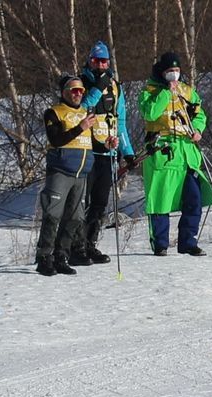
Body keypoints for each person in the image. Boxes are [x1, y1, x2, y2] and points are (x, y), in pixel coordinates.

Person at [139, 53, 211, 258]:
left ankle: (188, 241)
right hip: (162, 150)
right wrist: (165, 94)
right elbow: (150, 113)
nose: (174, 75)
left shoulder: (187, 91)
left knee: (193, 198)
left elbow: (199, 113)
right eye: (170, 71)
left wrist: (197, 129)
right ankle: (160, 243)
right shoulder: (149, 91)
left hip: (186, 150)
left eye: (177, 71)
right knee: (160, 198)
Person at [39, 74, 99, 276]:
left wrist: (107, 144)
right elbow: (56, 139)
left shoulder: (85, 112)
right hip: (61, 171)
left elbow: (90, 140)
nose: (78, 94)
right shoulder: (54, 112)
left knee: (75, 217)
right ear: (64, 92)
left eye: (81, 91)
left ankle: (61, 255)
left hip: (81, 173)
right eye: (74, 90)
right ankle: (44, 257)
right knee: (53, 214)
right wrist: (80, 127)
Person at [78, 43, 130, 266]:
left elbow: (121, 121)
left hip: (108, 152)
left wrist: (127, 151)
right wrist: (97, 87)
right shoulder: (81, 83)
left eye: (104, 61)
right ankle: (76, 245)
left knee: (100, 202)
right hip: (86, 151)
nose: (101, 65)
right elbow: (81, 108)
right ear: (90, 61)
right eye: (97, 61)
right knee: (83, 201)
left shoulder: (115, 86)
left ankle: (90, 243)